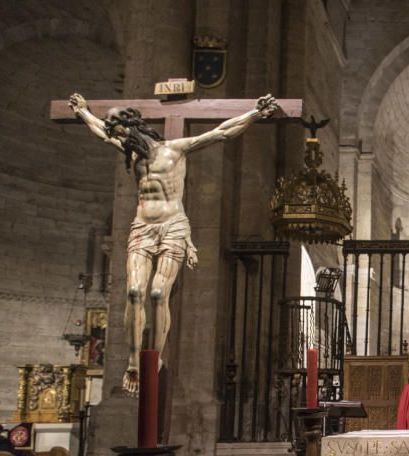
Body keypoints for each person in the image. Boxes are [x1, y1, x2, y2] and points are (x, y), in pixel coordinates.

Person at [68, 92, 280, 396]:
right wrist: (85, 112)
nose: (120, 142)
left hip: (173, 226)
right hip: (142, 226)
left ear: (133, 128)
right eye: (118, 137)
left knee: (156, 293)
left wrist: (254, 114)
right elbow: (103, 133)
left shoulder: (175, 149)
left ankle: (154, 357)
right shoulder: (131, 152)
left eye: (122, 135)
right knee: (133, 291)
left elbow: (220, 133)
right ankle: (132, 361)